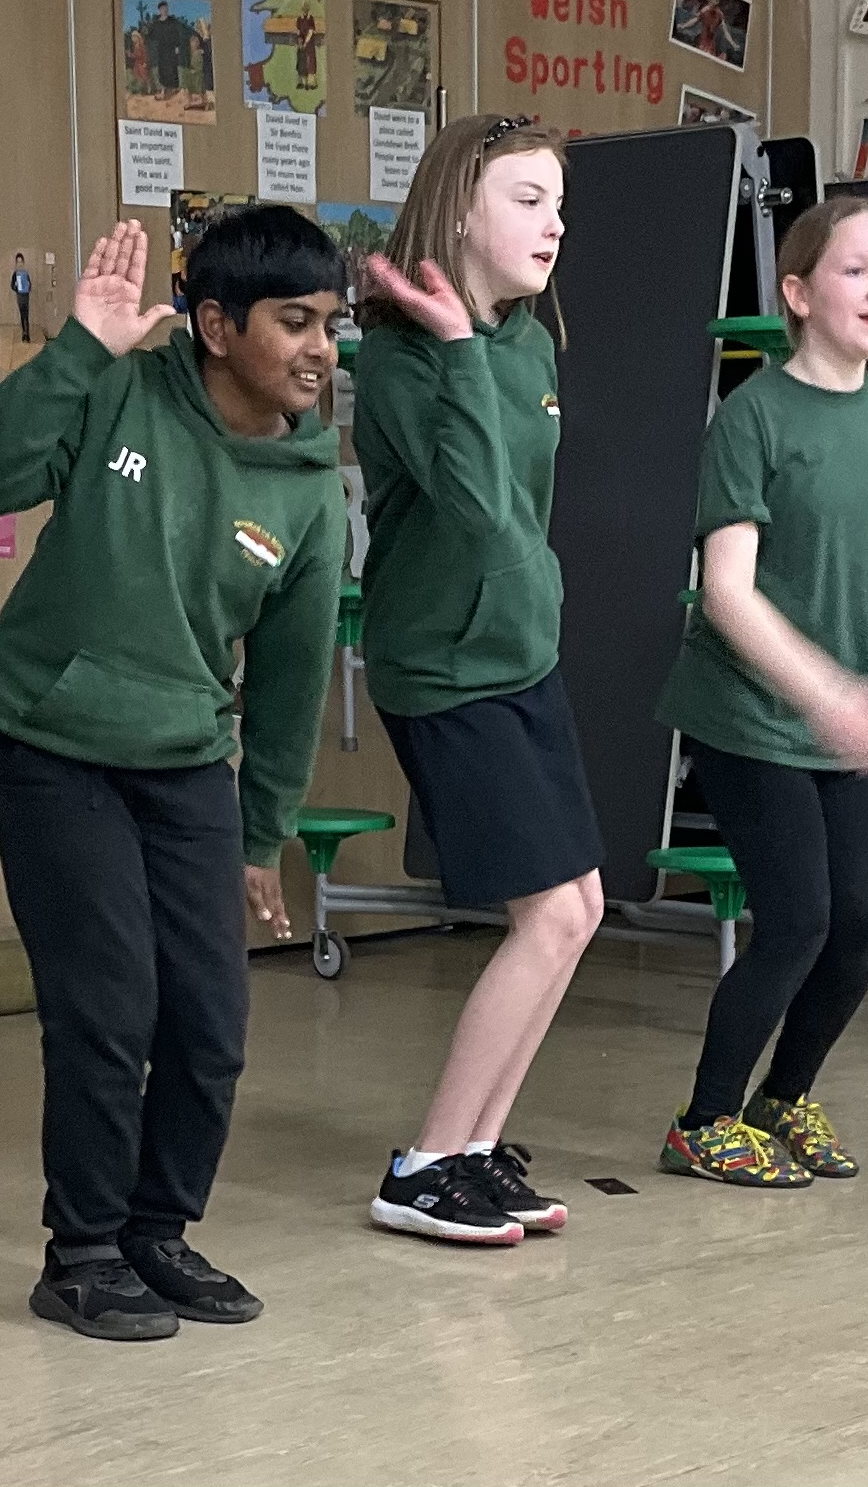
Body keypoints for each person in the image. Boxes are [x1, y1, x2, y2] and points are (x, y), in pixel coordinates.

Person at [0, 210, 346, 1341]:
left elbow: (291, 678)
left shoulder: (309, 489)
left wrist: (261, 835)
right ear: (216, 326)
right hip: (51, 742)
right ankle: (80, 1252)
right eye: (294, 321)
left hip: (185, 763)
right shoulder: (116, 393)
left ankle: (154, 1232)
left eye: (330, 324)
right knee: (107, 1009)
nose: (320, 348)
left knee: (210, 1020)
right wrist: (78, 348)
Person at [352, 115, 599, 1246]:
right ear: (458, 208)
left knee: (578, 909)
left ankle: (478, 1148)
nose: (553, 225)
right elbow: (482, 511)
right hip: (444, 667)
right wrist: (454, 346)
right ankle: (425, 1164)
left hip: (520, 653)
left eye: (558, 204)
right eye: (526, 200)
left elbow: (525, 520)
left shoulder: (531, 345)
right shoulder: (402, 356)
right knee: (542, 915)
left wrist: (539, 604)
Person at [654, 196, 868, 1188]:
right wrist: (825, 693)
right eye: (855, 270)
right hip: (752, 717)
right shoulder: (752, 416)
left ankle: (783, 1098)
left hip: (849, 719)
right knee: (799, 919)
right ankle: (704, 1121)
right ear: (798, 294)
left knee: (861, 924)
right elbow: (727, 592)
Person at [10, 253, 33, 342]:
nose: (19, 264)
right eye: (18, 262)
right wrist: (16, 287)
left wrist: (28, 286)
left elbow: (30, 285)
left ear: (23, 262)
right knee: (22, 315)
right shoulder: (15, 274)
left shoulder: (25, 273)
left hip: (26, 296)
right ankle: (24, 333)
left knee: (26, 315)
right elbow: (12, 286)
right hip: (19, 296)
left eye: (21, 262)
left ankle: (27, 334)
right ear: (16, 263)